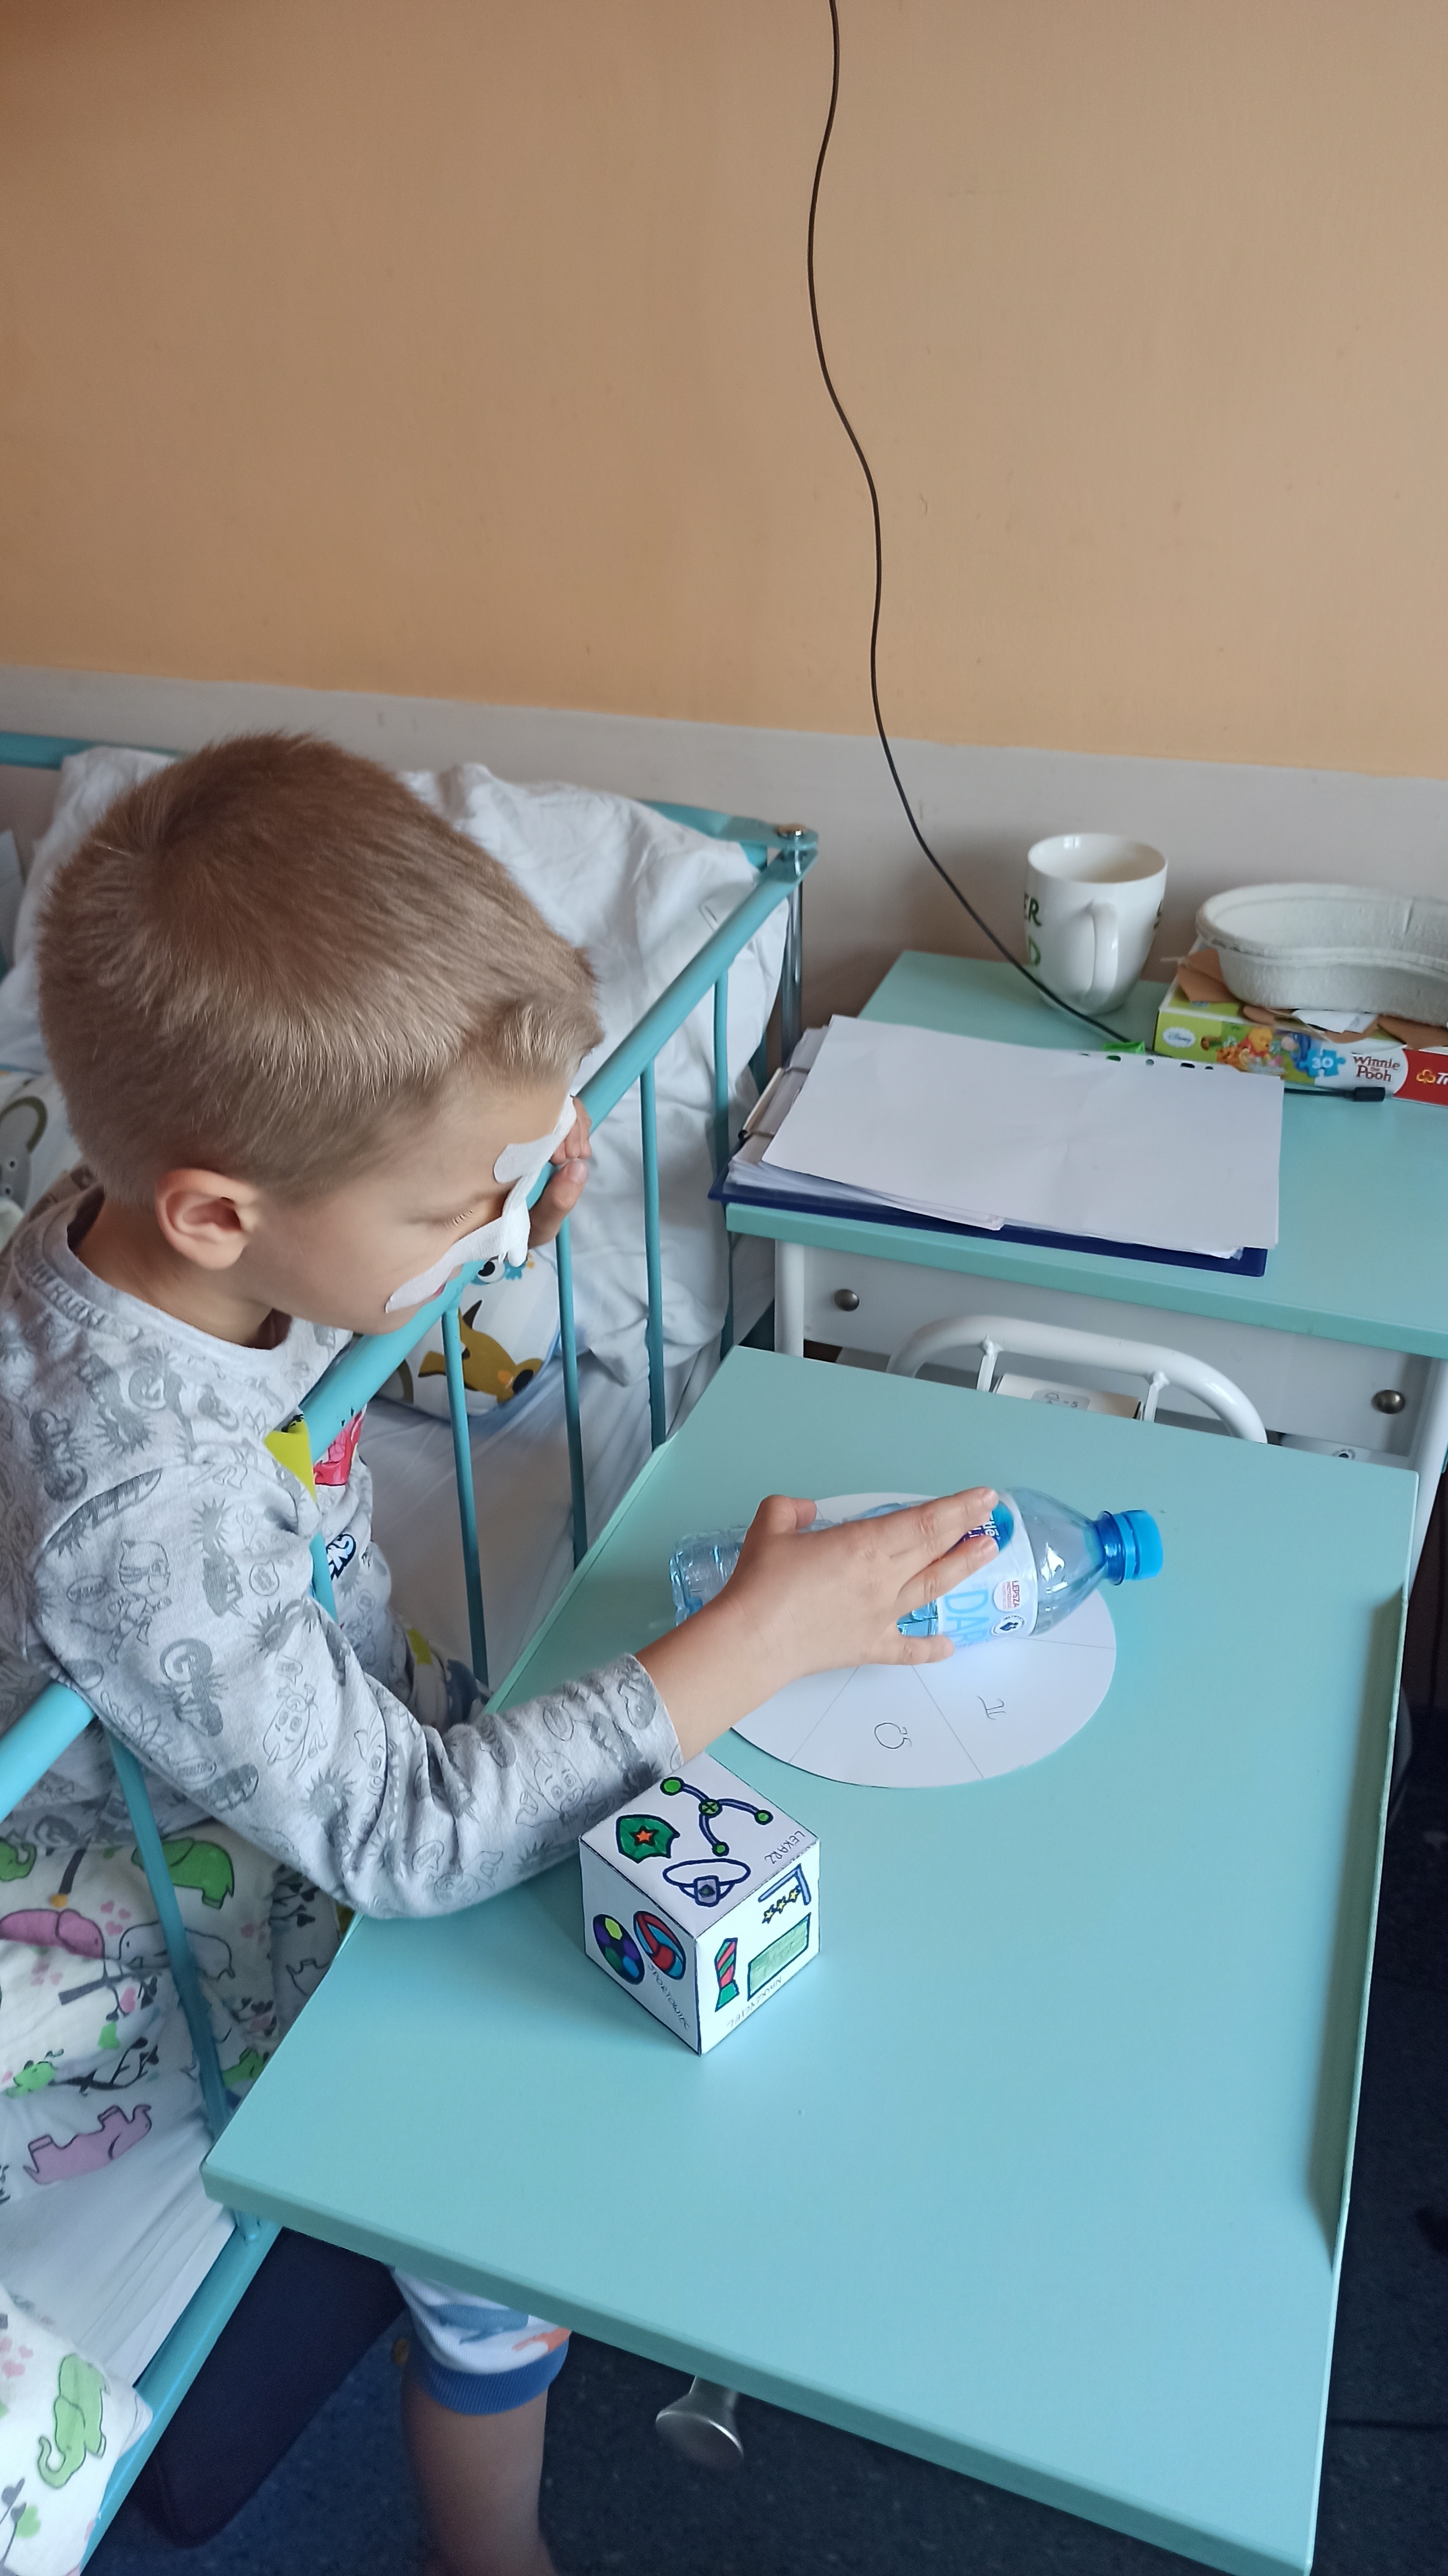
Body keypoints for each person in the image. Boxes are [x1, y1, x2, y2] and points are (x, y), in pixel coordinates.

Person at [0, 735, 996, 2576]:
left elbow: (340, 1275)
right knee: (496, 2186)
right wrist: (754, 1641)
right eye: (445, 1207)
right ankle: (493, 2540)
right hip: (155, 1893)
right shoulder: (135, 1514)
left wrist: (492, 1194)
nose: (491, 1223)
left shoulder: (162, 1238)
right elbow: (401, 1839)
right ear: (221, 1208)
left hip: (301, 1726)